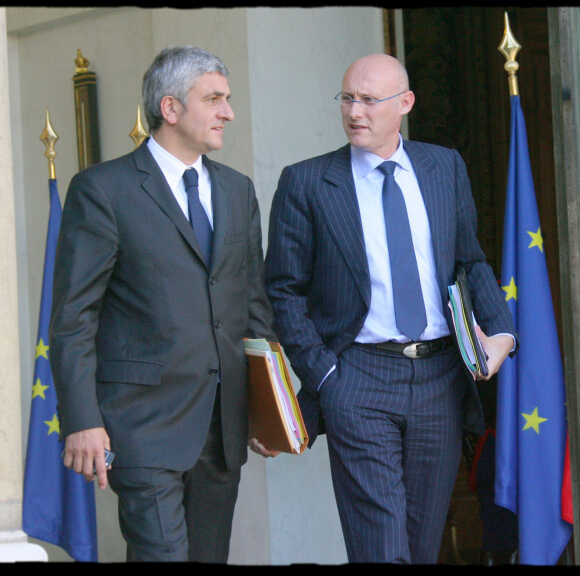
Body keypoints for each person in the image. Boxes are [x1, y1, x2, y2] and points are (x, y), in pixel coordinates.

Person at [264, 53, 516, 564]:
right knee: (381, 549)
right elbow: (283, 289)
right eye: (347, 98)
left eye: (369, 100)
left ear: (404, 103)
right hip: (357, 377)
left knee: (421, 548)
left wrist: (502, 335)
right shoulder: (307, 182)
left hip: (441, 378)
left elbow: (469, 260)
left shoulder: (444, 166)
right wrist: (327, 376)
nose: (355, 111)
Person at [50, 46, 277, 563]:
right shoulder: (102, 190)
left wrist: (269, 409)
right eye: (214, 98)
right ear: (170, 108)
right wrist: (83, 420)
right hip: (141, 425)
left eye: (228, 99)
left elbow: (254, 307)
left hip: (223, 429)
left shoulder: (238, 191)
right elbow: (72, 318)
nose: (228, 112)